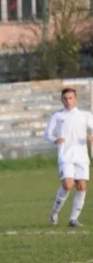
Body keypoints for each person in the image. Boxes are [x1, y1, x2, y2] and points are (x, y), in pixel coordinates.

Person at [45, 88, 93, 227]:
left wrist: (90, 136)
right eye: (65, 98)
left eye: (71, 98)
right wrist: (55, 139)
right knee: (68, 185)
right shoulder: (57, 116)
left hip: (82, 156)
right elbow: (47, 134)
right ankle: (55, 211)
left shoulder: (85, 115)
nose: (68, 101)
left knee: (81, 186)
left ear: (75, 99)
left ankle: (73, 219)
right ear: (62, 100)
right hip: (65, 156)